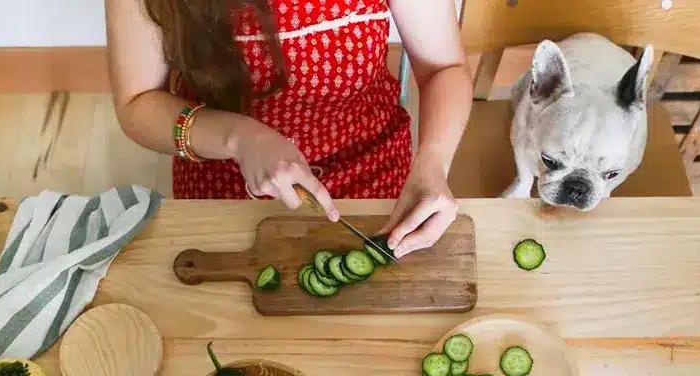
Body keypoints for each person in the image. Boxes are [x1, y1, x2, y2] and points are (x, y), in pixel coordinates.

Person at [106, 0, 472, 258]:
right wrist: (240, 137)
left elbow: (443, 69)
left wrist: (432, 164)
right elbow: (137, 103)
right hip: (225, 186)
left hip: (375, 181)